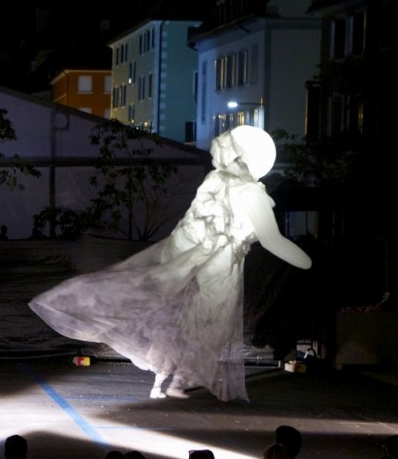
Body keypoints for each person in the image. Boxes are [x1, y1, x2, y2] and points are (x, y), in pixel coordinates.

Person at [29, 126, 311, 401]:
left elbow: (189, 226)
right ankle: (174, 380)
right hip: (217, 268)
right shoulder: (250, 194)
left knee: (181, 320)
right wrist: (307, 260)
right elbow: (273, 240)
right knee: (203, 326)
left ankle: (165, 381)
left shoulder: (216, 181)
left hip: (189, 256)